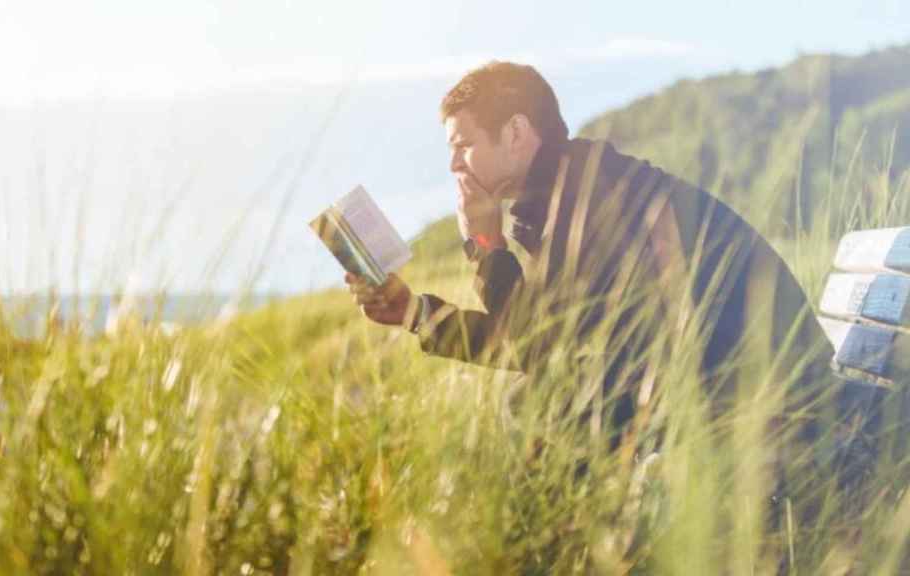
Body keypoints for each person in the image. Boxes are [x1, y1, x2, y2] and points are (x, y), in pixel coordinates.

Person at [345, 62, 846, 484]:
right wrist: (414, 312)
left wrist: (486, 244)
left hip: (774, 409)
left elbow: (540, 349)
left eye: (463, 144)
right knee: (541, 405)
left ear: (516, 133)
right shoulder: (567, 191)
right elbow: (545, 338)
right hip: (724, 391)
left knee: (540, 407)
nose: (454, 164)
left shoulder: (590, 198)